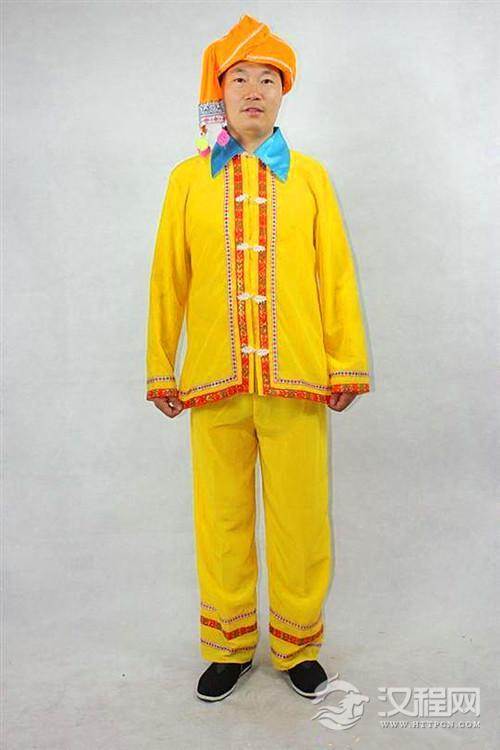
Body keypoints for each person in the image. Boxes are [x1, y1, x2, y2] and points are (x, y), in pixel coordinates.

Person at [145, 13, 371, 702]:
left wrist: (345, 360)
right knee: (221, 521)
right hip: (212, 379)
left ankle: (298, 646)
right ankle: (229, 646)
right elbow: (168, 278)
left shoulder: (311, 179)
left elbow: (335, 274)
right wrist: (161, 365)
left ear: (283, 93)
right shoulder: (187, 180)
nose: (253, 90)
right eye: (239, 78)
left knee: (301, 520)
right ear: (219, 91)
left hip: (296, 377)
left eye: (267, 79)